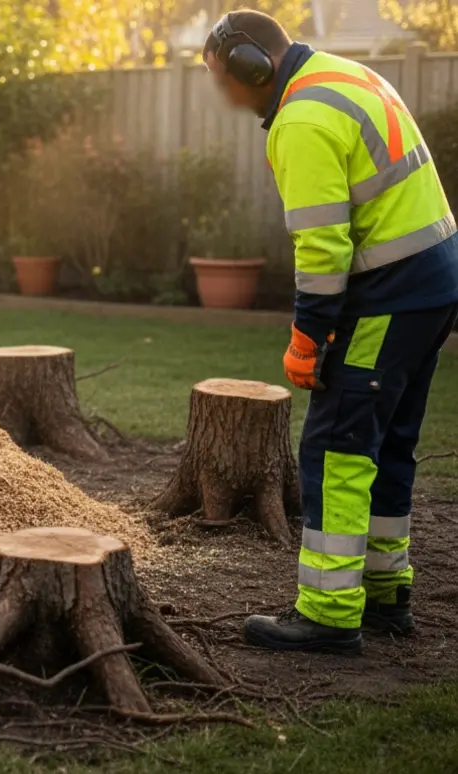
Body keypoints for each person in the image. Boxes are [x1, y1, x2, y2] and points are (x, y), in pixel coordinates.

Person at [203, 10, 458, 654]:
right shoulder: (345, 76)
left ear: (251, 68)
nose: (223, 94)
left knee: (336, 445)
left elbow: (321, 246)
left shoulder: (303, 120)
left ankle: (330, 613)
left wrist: (307, 336)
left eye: (222, 80)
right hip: (433, 285)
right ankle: (385, 592)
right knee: (390, 439)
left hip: (390, 294)